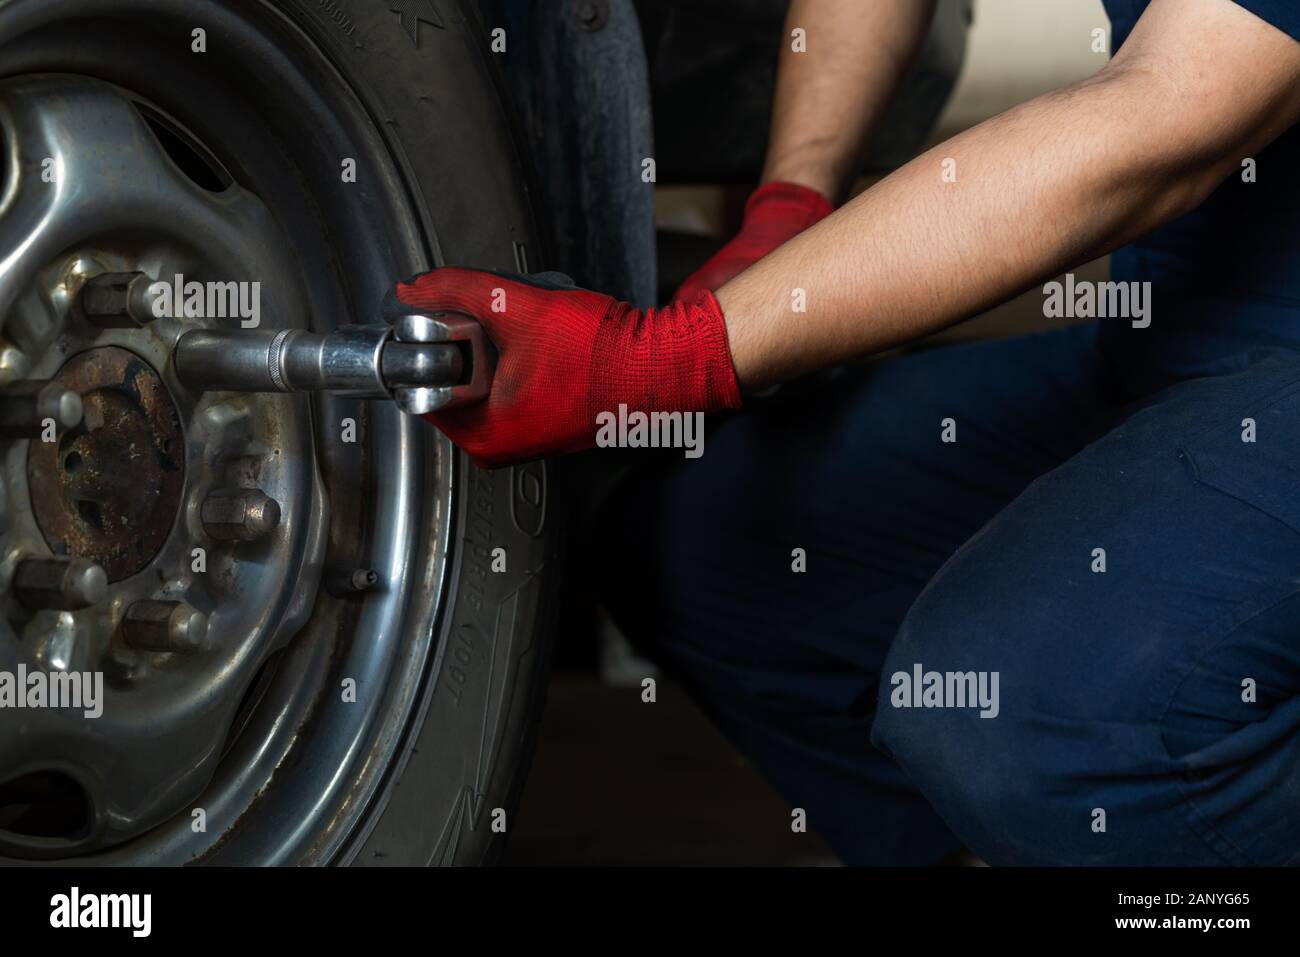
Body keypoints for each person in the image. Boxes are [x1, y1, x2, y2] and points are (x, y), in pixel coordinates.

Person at [388, 0, 1300, 865]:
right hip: (1187, 333)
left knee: (1026, 717)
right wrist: (795, 196)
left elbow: (1165, 122)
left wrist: (669, 360)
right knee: (701, 544)